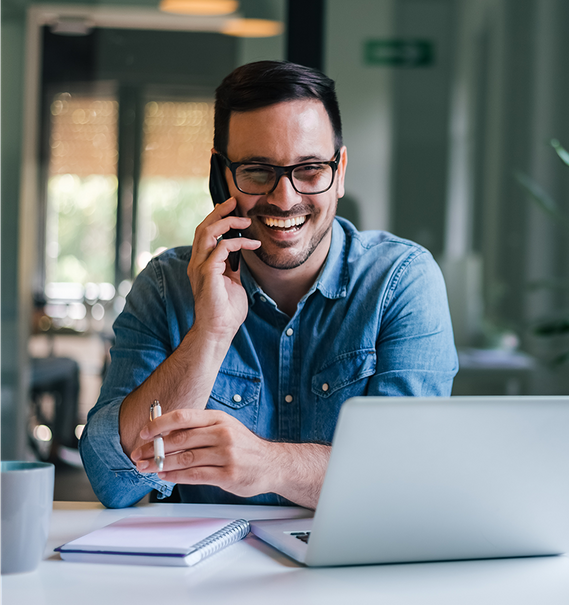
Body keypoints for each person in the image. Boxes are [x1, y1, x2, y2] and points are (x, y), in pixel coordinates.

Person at [80, 60, 459, 509]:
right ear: (222, 176)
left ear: (339, 172)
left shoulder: (401, 282)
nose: (284, 198)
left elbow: (408, 478)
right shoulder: (166, 286)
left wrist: (267, 464)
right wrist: (210, 335)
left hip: (350, 572)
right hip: (204, 575)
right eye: (258, 171)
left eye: (310, 169)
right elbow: (113, 481)